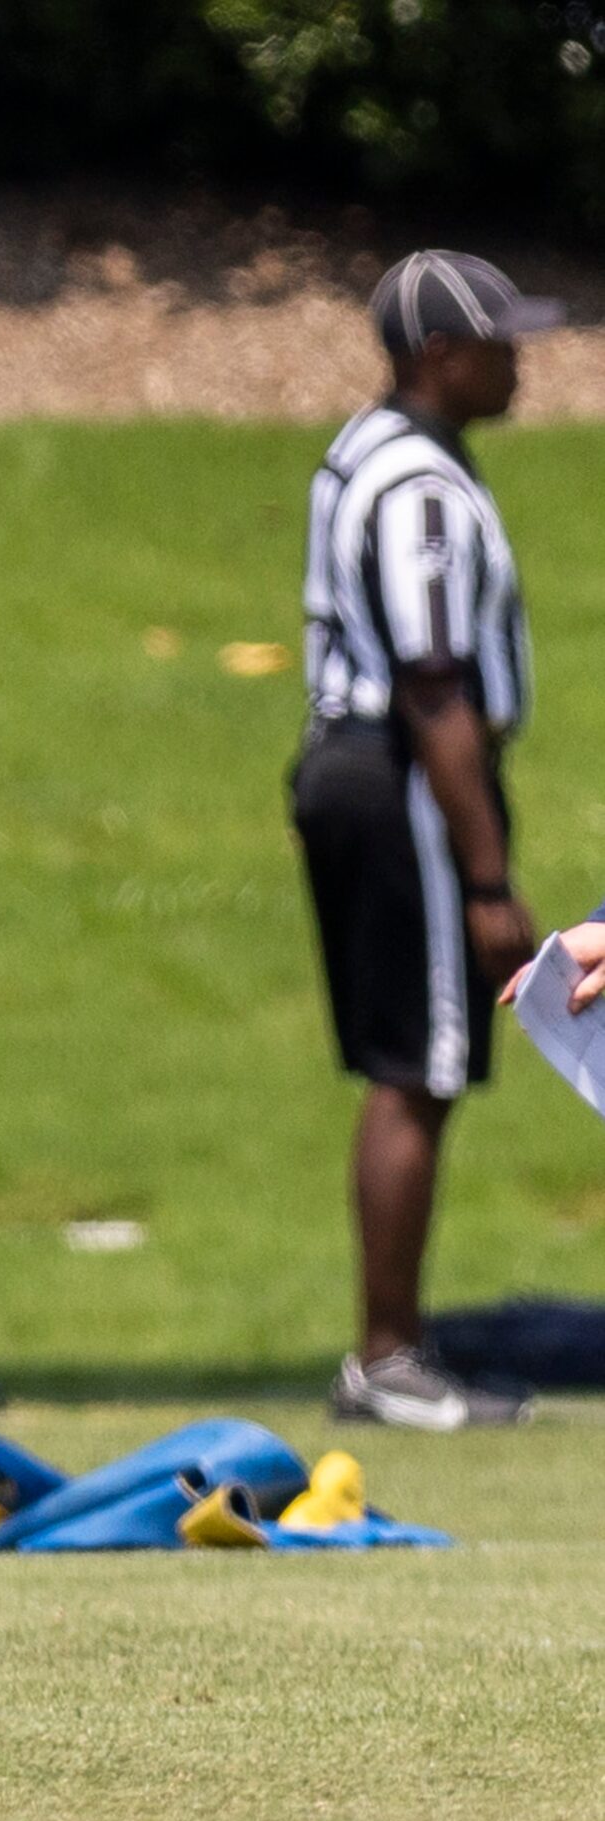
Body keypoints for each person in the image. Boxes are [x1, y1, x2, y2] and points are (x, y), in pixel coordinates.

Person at [291, 250, 555, 1430]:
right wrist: (487, 873)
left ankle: (390, 1349)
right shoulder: (420, 488)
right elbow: (433, 681)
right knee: (422, 1064)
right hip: (401, 772)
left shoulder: (368, 451)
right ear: (439, 355)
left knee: (416, 1062)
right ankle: (388, 1355)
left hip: (367, 765)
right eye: (500, 339)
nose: (519, 359)